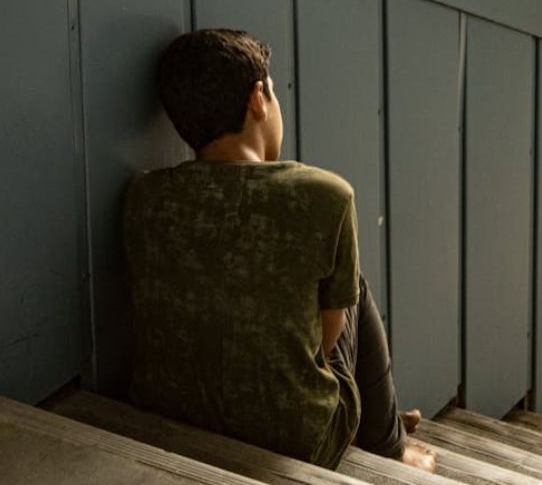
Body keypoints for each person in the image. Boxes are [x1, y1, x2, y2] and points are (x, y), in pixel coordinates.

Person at [123, 28, 436, 472]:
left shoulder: (145, 196)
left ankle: (381, 423)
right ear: (258, 98)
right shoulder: (324, 195)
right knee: (354, 291)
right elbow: (327, 340)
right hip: (297, 436)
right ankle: (390, 448)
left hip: (173, 410)